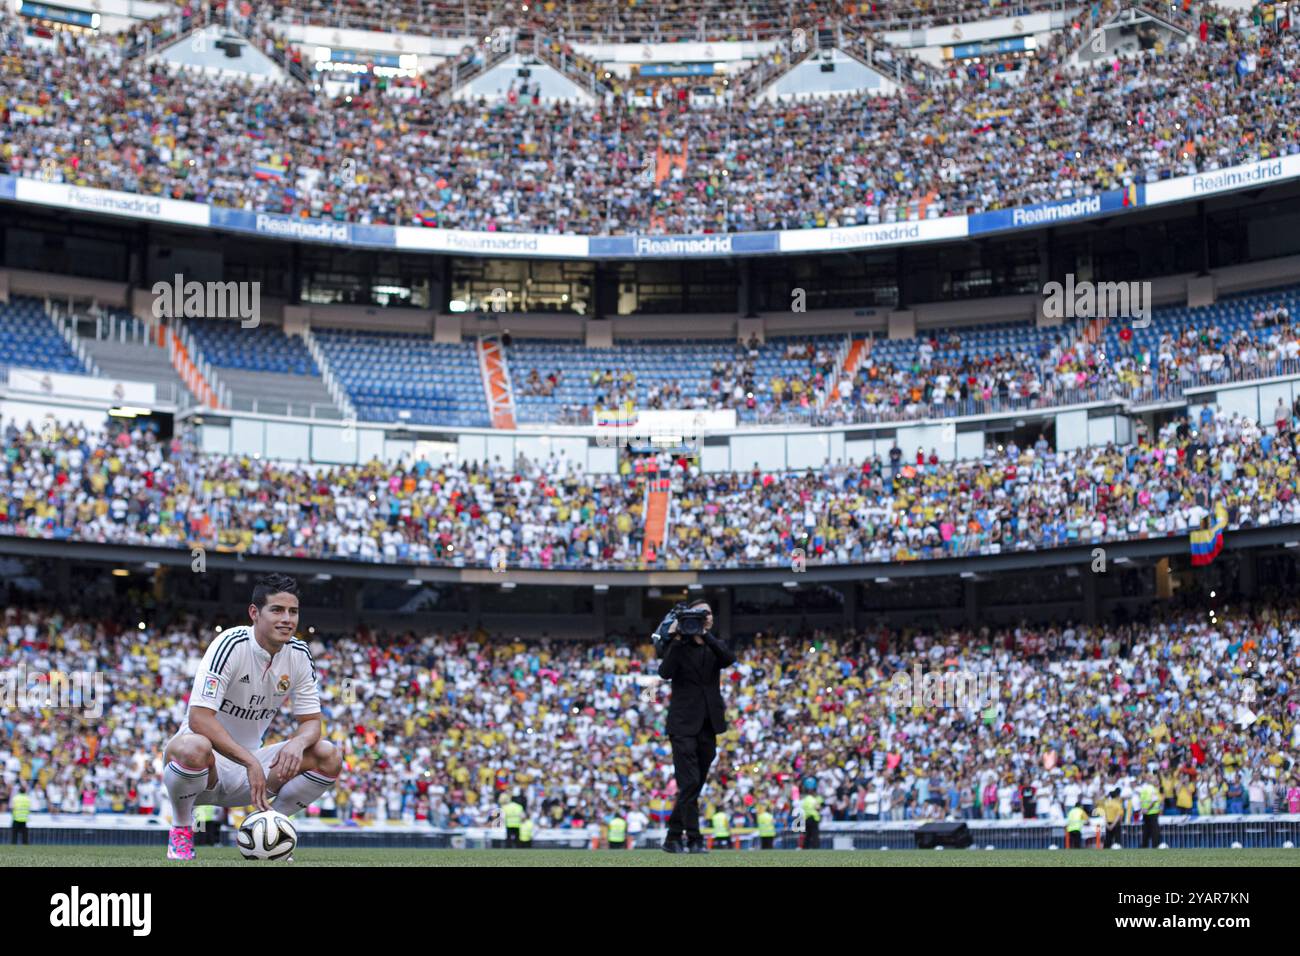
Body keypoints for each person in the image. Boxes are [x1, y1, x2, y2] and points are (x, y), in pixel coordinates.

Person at [160, 573, 340, 861]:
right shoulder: (230, 645)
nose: (287, 619)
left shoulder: (300, 654)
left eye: (293, 611)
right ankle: (181, 830)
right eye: (277, 610)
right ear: (254, 613)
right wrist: (249, 760)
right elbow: (199, 719)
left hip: (252, 771)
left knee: (328, 754)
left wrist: (298, 741)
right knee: (193, 745)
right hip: (205, 769)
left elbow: (312, 722)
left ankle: (269, 827)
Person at [658, 601, 735, 854]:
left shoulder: (714, 645)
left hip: (708, 723)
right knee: (690, 782)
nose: (704, 618)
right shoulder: (679, 645)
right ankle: (693, 839)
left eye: (707, 614)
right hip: (682, 723)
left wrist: (705, 635)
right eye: (699, 614)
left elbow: (728, 659)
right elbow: (665, 672)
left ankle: (672, 837)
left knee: (694, 783)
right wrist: (679, 638)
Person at [1139, 777, 1162, 848]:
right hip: (1152, 812)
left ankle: (1144, 846)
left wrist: (1143, 809)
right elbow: (1154, 800)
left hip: (1145, 813)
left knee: (1146, 830)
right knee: (1155, 830)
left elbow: (1142, 801)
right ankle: (1155, 845)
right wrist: (1147, 809)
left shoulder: (1143, 789)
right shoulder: (1152, 789)